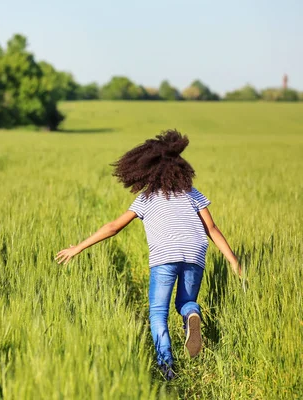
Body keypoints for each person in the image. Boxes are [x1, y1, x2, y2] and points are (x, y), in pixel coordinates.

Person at [56, 130, 241, 380]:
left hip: (165, 254)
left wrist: (77, 247)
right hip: (195, 251)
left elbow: (113, 227)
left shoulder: (146, 199)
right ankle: (191, 314)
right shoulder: (192, 194)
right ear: (179, 167)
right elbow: (212, 229)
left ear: (146, 170)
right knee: (185, 302)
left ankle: (167, 367)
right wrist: (234, 261)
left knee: (157, 313)